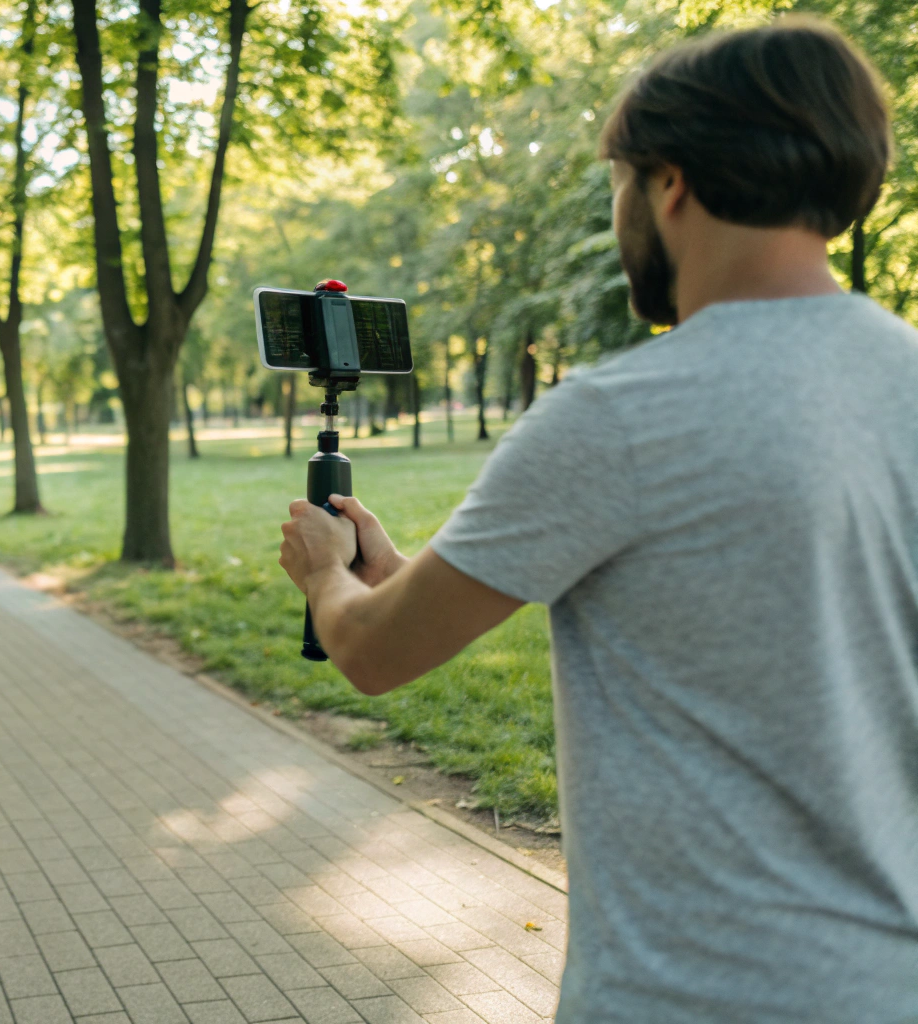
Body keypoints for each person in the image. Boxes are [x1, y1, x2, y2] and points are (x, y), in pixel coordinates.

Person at [276, 18, 916, 1023]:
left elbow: (373, 652)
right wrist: (402, 573)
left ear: (669, 183)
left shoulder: (616, 417)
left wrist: (326, 571)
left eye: (618, 183)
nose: (619, 215)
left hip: (690, 995)